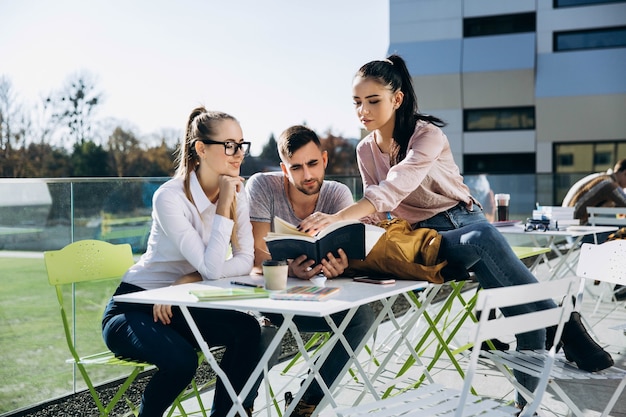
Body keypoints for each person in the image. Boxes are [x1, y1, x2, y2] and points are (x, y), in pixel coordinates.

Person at [297, 54, 614, 410]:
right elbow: (378, 212)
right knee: (490, 244)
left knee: (521, 312)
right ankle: (563, 322)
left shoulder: (426, 135)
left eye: (373, 101)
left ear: (397, 99)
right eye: (357, 102)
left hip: (466, 222)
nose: (363, 111)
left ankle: (526, 406)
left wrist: (337, 216)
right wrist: (341, 235)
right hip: (430, 241)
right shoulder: (365, 150)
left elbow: (394, 188)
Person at [102, 107, 261, 417]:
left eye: (241, 144)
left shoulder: (237, 193)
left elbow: (246, 260)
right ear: (201, 148)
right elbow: (213, 269)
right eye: (229, 145)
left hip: (180, 305)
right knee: (181, 360)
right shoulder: (169, 197)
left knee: (247, 330)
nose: (238, 153)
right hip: (134, 308)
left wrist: (187, 281)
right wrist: (224, 203)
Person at [245, 125, 375, 417]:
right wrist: (290, 269)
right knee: (262, 331)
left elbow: (352, 255)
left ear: (325, 159)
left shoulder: (337, 195)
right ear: (283, 168)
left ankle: (306, 401)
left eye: (313, 164)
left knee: (363, 317)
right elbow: (256, 255)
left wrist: (343, 267)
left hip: (318, 300)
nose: (307, 175)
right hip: (273, 301)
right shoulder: (263, 186)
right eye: (297, 167)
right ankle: (241, 405)